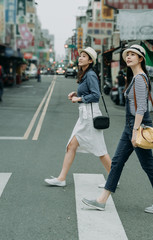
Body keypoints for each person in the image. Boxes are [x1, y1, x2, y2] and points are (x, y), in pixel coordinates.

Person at [82, 45, 153, 214]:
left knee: (148, 165)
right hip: (131, 126)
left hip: (137, 126)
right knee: (117, 162)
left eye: (132, 55)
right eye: (127, 55)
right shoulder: (136, 77)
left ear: (141, 59)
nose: (128, 57)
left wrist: (135, 132)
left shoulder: (140, 79)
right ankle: (102, 200)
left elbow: (141, 107)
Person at [44, 47, 112, 187]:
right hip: (85, 115)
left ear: (90, 60)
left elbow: (96, 95)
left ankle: (113, 178)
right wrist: (76, 94)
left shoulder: (91, 74)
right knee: (72, 146)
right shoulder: (85, 74)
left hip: (90, 116)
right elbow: (88, 92)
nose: (80, 58)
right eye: (80, 56)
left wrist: (79, 99)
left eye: (84, 56)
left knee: (100, 150)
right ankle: (61, 178)